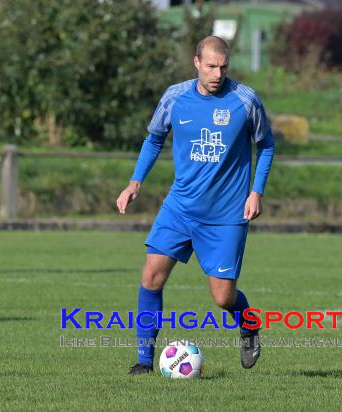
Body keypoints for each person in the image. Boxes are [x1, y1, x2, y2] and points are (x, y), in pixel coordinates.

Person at [117, 36, 275, 375]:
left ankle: (248, 326)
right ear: (196, 63)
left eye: (223, 67)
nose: (217, 73)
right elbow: (154, 138)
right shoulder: (175, 97)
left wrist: (256, 191)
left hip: (226, 215)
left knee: (222, 298)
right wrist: (135, 182)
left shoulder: (245, 101)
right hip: (180, 208)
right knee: (151, 277)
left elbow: (267, 146)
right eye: (211, 66)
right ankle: (144, 361)